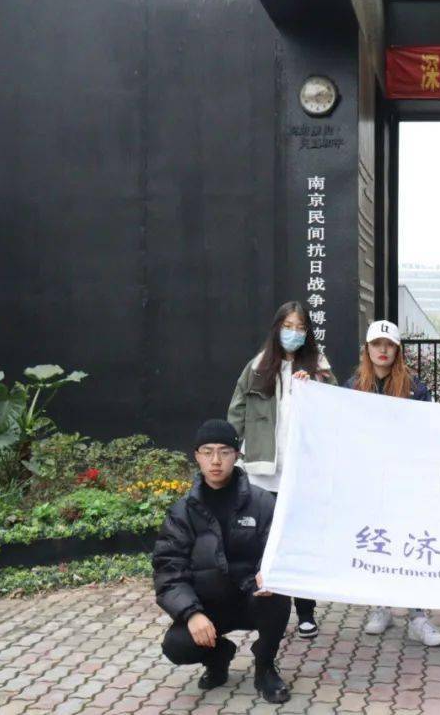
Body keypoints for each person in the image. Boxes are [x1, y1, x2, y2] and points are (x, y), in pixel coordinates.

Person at [154, 419, 292, 704]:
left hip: (250, 598)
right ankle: (219, 657)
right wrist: (192, 613)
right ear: (197, 456)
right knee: (176, 646)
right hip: (208, 607)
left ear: (237, 456)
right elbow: (169, 572)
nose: (216, 460)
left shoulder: (262, 502)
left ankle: (265, 667)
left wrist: (269, 575)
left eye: (224, 451)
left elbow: (279, 551)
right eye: (207, 452)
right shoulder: (182, 513)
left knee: (277, 598)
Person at [227, 301, 336, 639]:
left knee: (300, 540)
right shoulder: (258, 365)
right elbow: (237, 410)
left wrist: (315, 383)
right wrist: (234, 452)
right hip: (263, 469)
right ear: (277, 327)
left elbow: (336, 403)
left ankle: (306, 611)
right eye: (287, 325)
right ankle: (265, 609)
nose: (293, 332)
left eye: (300, 326)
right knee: (264, 540)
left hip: (301, 471)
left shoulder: (317, 364)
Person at [343, 319, 440, 647]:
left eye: (389, 345)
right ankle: (380, 606)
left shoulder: (415, 388)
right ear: (368, 349)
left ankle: (417, 615)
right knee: (379, 540)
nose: (383, 351)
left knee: (411, 542)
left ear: (397, 350)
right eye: (377, 345)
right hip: (370, 480)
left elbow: (429, 430)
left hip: (407, 480)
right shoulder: (353, 386)